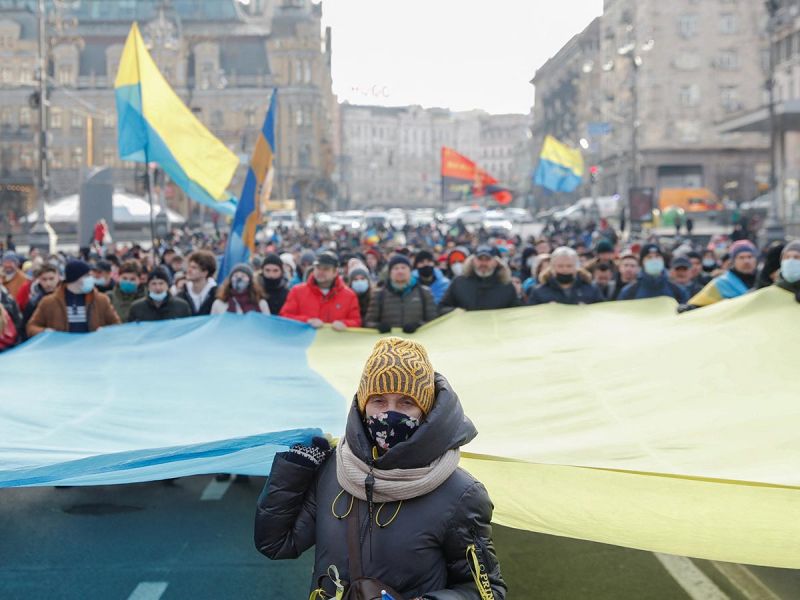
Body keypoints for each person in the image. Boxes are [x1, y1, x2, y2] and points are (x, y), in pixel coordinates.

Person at [255, 337, 507, 599]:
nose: (390, 413)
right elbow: (276, 543)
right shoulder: (334, 469)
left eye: (406, 403)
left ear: (426, 409)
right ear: (363, 405)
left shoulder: (461, 493)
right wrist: (295, 471)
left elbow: (487, 591)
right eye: (378, 400)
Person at [27, 259, 121, 336]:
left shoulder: (101, 300)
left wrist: (105, 330)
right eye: (87, 276)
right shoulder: (49, 302)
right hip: (61, 352)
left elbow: (117, 325)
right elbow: (31, 327)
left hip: (93, 351)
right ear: (76, 278)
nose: (91, 279)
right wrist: (44, 331)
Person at [279, 251, 362, 330]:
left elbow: (356, 321)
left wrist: (345, 324)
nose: (321, 272)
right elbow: (285, 316)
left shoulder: (349, 295)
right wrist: (307, 321)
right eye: (318, 268)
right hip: (305, 342)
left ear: (335, 272)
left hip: (335, 343)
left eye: (326, 269)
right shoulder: (297, 291)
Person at [365, 254, 437, 333]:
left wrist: (418, 326)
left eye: (403, 267)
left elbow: (433, 321)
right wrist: (379, 327)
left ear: (410, 271)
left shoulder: (424, 293)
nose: (400, 271)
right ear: (390, 273)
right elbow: (368, 322)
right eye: (396, 268)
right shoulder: (379, 294)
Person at [439, 245, 519, 312]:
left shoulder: (506, 285)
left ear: (496, 262)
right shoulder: (459, 283)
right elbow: (442, 307)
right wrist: (455, 311)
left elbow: (516, 312)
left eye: (487, 259)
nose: (483, 263)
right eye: (480, 259)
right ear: (473, 261)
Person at [688, 240, 758, 308]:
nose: (746, 261)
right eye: (741, 257)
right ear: (733, 261)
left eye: (750, 257)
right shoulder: (721, 283)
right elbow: (698, 304)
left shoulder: (763, 281)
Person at [528, 246, 603, 305]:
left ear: (576, 267)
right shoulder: (539, 292)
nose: (565, 270)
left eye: (569, 266)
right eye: (560, 266)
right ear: (552, 267)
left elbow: (602, 314)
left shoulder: (592, 290)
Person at [618, 244, 687, 303]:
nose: (654, 260)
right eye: (649, 257)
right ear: (642, 262)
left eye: (657, 256)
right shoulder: (629, 292)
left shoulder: (677, 291)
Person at [127, 267, 192, 322]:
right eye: (153, 284)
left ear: (167, 286)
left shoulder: (181, 306)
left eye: (161, 283)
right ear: (148, 287)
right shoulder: (137, 308)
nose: (158, 288)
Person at [20, 264, 61, 339]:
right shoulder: (34, 302)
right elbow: (25, 327)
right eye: (44, 279)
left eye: (51, 279)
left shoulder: (66, 298)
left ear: (58, 277)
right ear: (39, 279)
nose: (48, 283)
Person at [177, 250, 218, 315]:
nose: (189, 270)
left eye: (194, 268)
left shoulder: (216, 295)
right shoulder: (182, 294)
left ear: (205, 273)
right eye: (189, 267)